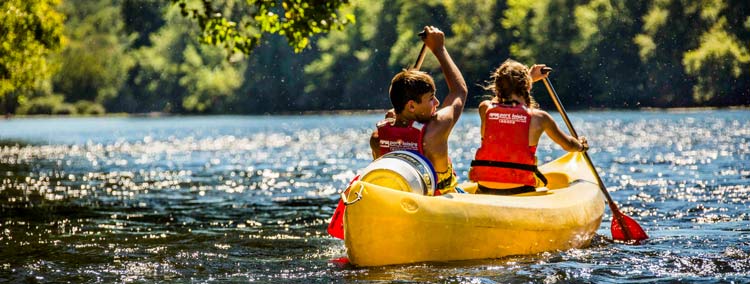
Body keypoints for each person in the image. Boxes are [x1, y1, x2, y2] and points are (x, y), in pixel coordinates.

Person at [369, 25, 468, 196]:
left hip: (401, 200)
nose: (436, 103)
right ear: (411, 106)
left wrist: (399, 115)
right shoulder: (435, 129)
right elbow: (459, 91)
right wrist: (439, 49)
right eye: (431, 98)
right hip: (439, 202)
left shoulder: (378, 138)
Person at [469, 59, 588, 194]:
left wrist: (529, 79)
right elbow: (568, 145)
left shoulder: (484, 108)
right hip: (520, 189)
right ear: (527, 86)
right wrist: (581, 146)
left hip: (485, 187)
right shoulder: (540, 118)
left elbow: (499, 104)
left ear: (497, 87)